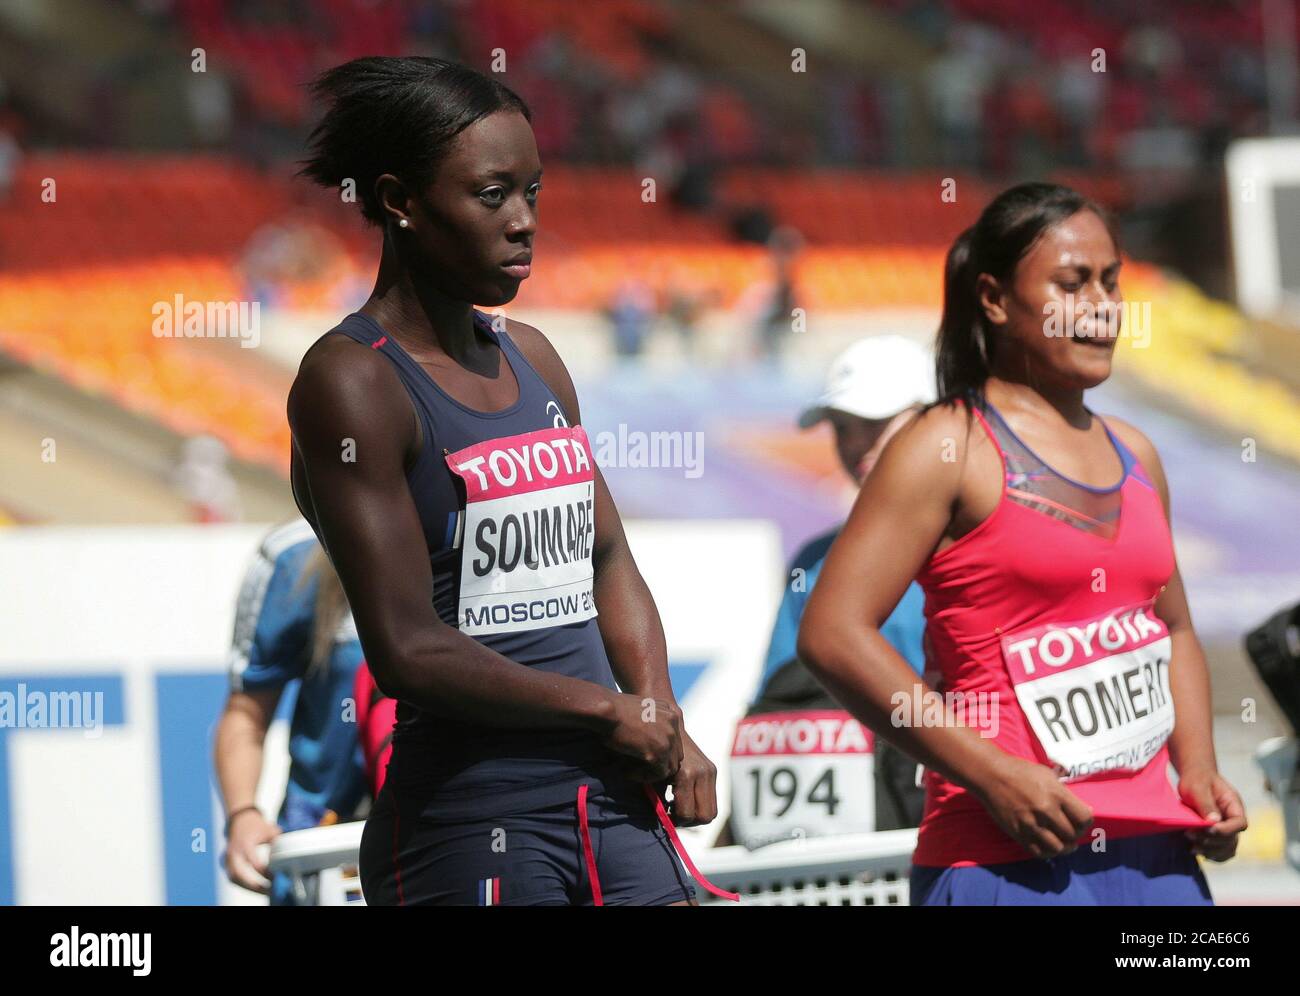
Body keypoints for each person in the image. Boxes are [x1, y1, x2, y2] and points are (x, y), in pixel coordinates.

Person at [289, 56, 732, 906]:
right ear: (399, 202)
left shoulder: (533, 357)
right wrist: (606, 711)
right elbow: (408, 650)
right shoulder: (353, 382)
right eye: (492, 195)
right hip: (467, 820)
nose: (524, 221)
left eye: (533, 191)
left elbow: (608, 561)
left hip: (612, 801)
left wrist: (660, 714)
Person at [798, 182, 1247, 905]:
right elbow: (832, 633)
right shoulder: (947, 445)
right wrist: (991, 774)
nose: (1101, 304)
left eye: (1111, 281)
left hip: (1160, 860)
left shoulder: (1137, 453)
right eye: (1071, 284)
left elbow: (1174, 628)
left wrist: (1197, 769)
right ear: (996, 299)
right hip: (1004, 861)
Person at [728, 337, 934, 847]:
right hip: (862, 847)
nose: (856, 444)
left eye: (876, 423)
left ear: (936, 421)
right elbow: (781, 704)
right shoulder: (813, 563)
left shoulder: (987, 544)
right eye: (843, 427)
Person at [215, 517, 368, 905]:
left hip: (446, 833)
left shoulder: (473, 524)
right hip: (327, 848)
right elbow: (247, 712)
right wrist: (243, 814)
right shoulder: (293, 555)